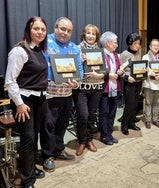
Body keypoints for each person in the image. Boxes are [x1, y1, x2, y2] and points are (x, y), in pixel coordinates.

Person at [5, 16, 47, 188]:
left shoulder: (38, 50)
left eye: (43, 29)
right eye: (36, 28)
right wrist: (20, 104)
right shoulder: (19, 51)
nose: (40, 32)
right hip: (24, 101)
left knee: (35, 134)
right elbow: (10, 81)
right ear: (29, 30)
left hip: (40, 99)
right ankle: (27, 180)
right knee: (28, 138)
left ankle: (30, 168)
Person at [40, 17, 81, 172]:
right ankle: (47, 155)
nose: (65, 33)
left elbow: (79, 71)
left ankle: (59, 149)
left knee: (62, 124)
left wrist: (76, 83)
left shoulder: (74, 47)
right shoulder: (45, 41)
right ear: (55, 27)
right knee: (48, 125)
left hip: (67, 93)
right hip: (49, 93)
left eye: (69, 31)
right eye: (62, 29)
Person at [74, 24, 107, 156]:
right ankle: (81, 141)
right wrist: (79, 61)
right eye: (88, 33)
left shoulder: (100, 51)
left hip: (97, 87)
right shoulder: (77, 49)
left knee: (92, 115)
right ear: (84, 34)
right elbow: (69, 69)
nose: (91, 36)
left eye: (93, 34)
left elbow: (106, 70)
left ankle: (89, 140)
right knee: (83, 115)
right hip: (81, 88)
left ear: (97, 37)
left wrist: (101, 75)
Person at [98, 31, 124, 145]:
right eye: (115, 42)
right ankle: (104, 136)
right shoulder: (100, 54)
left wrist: (120, 71)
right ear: (107, 43)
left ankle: (109, 133)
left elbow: (118, 69)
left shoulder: (115, 55)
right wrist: (109, 75)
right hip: (105, 88)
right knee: (104, 112)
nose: (116, 45)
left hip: (115, 87)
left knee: (112, 112)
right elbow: (98, 70)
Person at [142, 39, 159, 129]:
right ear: (150, 46)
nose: (156, 47)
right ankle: (147, 120)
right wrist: (153, 74)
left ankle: (155, 119)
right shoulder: (145, 57)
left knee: (156, 102)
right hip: (149, 83)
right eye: (154, 45)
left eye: (157, 45)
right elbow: (145, 68)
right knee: (148, 102)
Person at [120, 32, 143, 135]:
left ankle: (131, 123)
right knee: (129, 105)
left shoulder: (139, 52)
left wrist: (144, 69)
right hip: (129, 83)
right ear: (130, 43)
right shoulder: (124, 54)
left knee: (135, 104)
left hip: (138, 81)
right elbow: (120, 70)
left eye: (138, 43)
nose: (137, 46)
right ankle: (124, 125)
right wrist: (127, 77)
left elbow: (139, 66)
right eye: (135, 43)